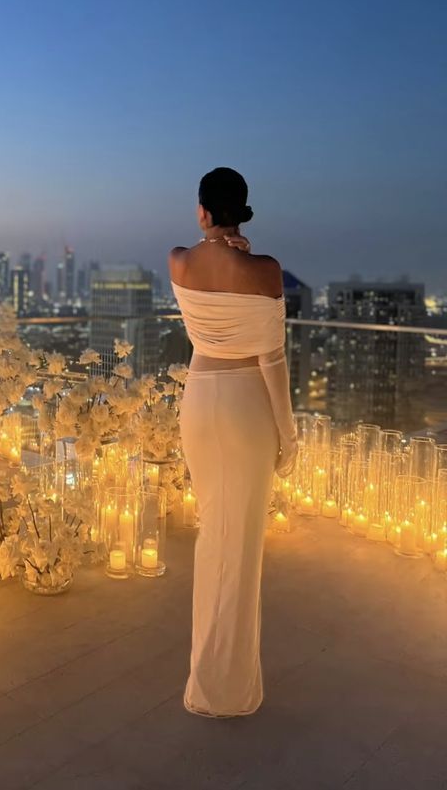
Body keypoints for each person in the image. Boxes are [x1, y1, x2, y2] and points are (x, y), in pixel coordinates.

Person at [168, 166, 297, 718]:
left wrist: (220, 247)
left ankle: (209, 676)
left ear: (201, 211)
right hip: (246, 406)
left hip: (199, 403)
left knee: (211, 536)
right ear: (242, 211)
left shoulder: (178, 260)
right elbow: (272, 360)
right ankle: (227, 688)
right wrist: (288, 436)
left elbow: (209, 282)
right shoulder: (266, 271)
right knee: (240, 547)